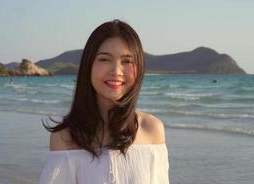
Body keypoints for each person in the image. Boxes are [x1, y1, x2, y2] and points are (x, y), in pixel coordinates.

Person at [39, 19, 169, 184]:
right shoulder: (65, 137)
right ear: (89, 66)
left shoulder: (152, 130)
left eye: (127, 61)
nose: (116, 71)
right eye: (104, 59)